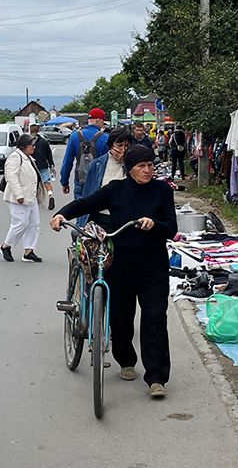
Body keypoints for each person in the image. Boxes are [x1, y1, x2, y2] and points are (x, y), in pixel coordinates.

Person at [50, 145, 177, 398]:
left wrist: (155, 224)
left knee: (154, 318)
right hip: (120, 264)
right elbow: (85, 203)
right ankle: (126, 361)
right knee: (121, 316)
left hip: (153, 266)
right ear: (129, 168)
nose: (148, 170)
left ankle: (156, 377)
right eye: (142, 166)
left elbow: (171, 227)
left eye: (151, 165)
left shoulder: (162, 191)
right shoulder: (115, 190)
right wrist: (61, 215)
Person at [0, 134, 45, 263]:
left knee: (34, 224)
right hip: (18, 198)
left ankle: (29, 251)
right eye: (32, 145)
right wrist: (19, 194)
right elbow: (11, 177)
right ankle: (6, 246)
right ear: (24, 146)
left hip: (31, 196)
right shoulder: (15, 157)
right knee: (20, 223)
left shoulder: (28, 158)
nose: (34, 147)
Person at [79, 127, 132, 228]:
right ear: (111, 146)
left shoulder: (133, 164)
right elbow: (88, 194)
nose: (123, 149)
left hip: (124, 218)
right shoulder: (96, 165)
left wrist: (126, 162)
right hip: (101, 217)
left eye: (127, 146)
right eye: (120, 145)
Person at [59, 108, 110, 198]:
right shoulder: (105, 138)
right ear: (98, 120)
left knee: (80, 209)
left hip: (81, 180)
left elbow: (67, 162)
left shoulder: (74, 136)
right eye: (103, 121)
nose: (103, 124)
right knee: (95, 209)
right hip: (98, 182)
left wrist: (64, 182)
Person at [29, 124, 57, 211]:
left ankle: (35, 201)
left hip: (32, 165)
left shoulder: (29, 142)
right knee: (46, 182)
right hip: (43, 165)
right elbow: (49, 154)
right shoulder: (44, 141)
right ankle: (50, 195)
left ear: (30, 131)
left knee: (33, 183)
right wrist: (51, 164)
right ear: (38, 130)